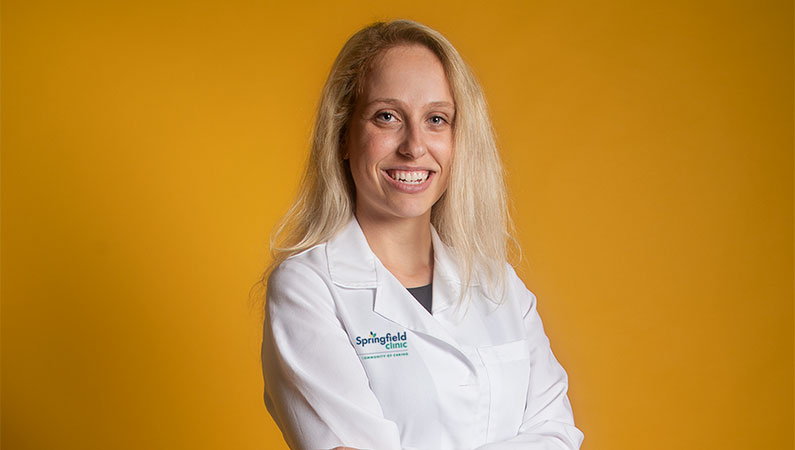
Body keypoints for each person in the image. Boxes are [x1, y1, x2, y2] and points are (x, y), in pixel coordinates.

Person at [259, 19, 584, 450]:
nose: (414, 146)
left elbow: (558, 434)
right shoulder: (307, 288)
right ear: (342, 134)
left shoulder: (498, 283)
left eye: (436, 119)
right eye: (387, 116)